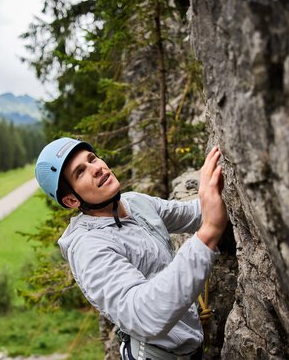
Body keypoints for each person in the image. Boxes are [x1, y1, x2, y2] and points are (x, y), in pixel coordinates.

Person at [35, 137, 227, 360]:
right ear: (71, 201)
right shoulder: (89, 248)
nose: (96, 168)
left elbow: (194, 213)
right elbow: (143, 314)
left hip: (188, 345)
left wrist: (220, 191)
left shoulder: (135, 202)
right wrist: (208, 234)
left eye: (92, 158)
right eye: (80, 172)